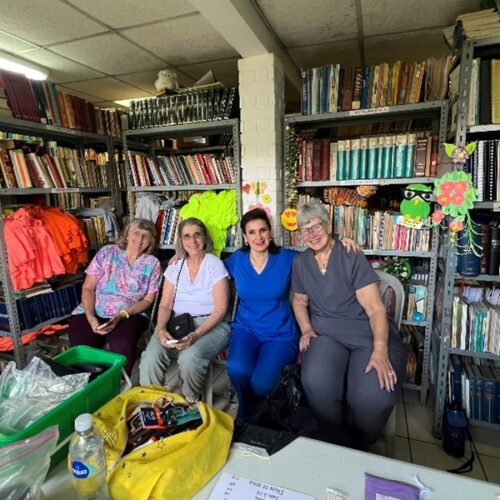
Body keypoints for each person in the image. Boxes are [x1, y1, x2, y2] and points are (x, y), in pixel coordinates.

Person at [291, 198, 406, 450]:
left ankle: (361, 445)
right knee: (316, 384)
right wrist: (307, 329)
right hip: (326, 336)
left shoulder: (350, 254)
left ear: (328, 225)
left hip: (366, 335)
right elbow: (299, 301)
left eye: (316, 226)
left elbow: (375, 309)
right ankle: (337, 442)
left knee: (373, 398)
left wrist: (380, 350)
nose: (311, 234)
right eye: (305, 230)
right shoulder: (301, 263)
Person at [225, 208, 359, 417]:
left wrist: (341, 244)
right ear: (245, 237)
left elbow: (320, 252)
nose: (258, 237)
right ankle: (246, 411)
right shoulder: (237, 259)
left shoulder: (288, 258)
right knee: (237, 370)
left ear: (270, 232)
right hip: (246, 330)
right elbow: (209, 269)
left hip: (280, 334)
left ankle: (261, 416)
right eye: (252, 232)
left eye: (263, 230)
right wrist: (181, 257)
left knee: (261, 383)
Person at [139, 218, 230, 402]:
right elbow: (165, 305)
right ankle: (152, 402)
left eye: (197, 234)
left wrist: (195, 335)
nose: (192, 240)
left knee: (190, 357)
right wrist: (161, 329)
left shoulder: (215, 265)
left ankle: (189, 400)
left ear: (205, 238)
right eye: (186, 236)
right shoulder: (175, 266)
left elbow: (220, 310)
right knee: (151, 356)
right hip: (178, 322)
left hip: (211, 324)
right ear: (181, 240)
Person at [69, 219, 162, 374]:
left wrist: (123, 315)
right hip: (94, 309)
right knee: (81, 345)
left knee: (122, 344)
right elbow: (88, 288)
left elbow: (148, 300)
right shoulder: (107, 252)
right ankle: (88, 380)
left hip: (130, 313)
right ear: (127, 234)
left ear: (151, 241)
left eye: (145, 236)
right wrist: (91, 317)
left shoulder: (153, 263)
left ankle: (116, 380)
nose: (139, 239)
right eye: (136, 233)